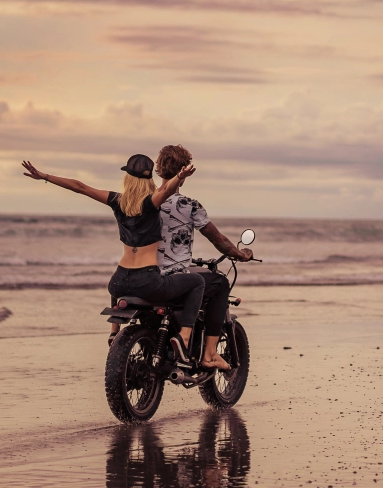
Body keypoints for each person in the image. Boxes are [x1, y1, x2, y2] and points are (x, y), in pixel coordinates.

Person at [21, 153, 205, 364]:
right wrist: (180, 177)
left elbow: (80, 187)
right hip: (147, 280)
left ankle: (114, 331)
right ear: (149, 180)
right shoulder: (151, 203)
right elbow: (168, 190)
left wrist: (44, 176)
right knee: (197, 281)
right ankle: (184, 336)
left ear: (127, 178)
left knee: (119, 288)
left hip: (118, 281)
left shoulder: (117, 201)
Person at [154, 144, 253, 371]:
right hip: (175, 277)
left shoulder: (147, 201)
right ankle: (209, 354)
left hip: (148, 275)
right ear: (184, 172)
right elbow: (218, 240)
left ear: (159, 170)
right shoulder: (188, 205)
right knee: (220, 283)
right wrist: (240, 254)